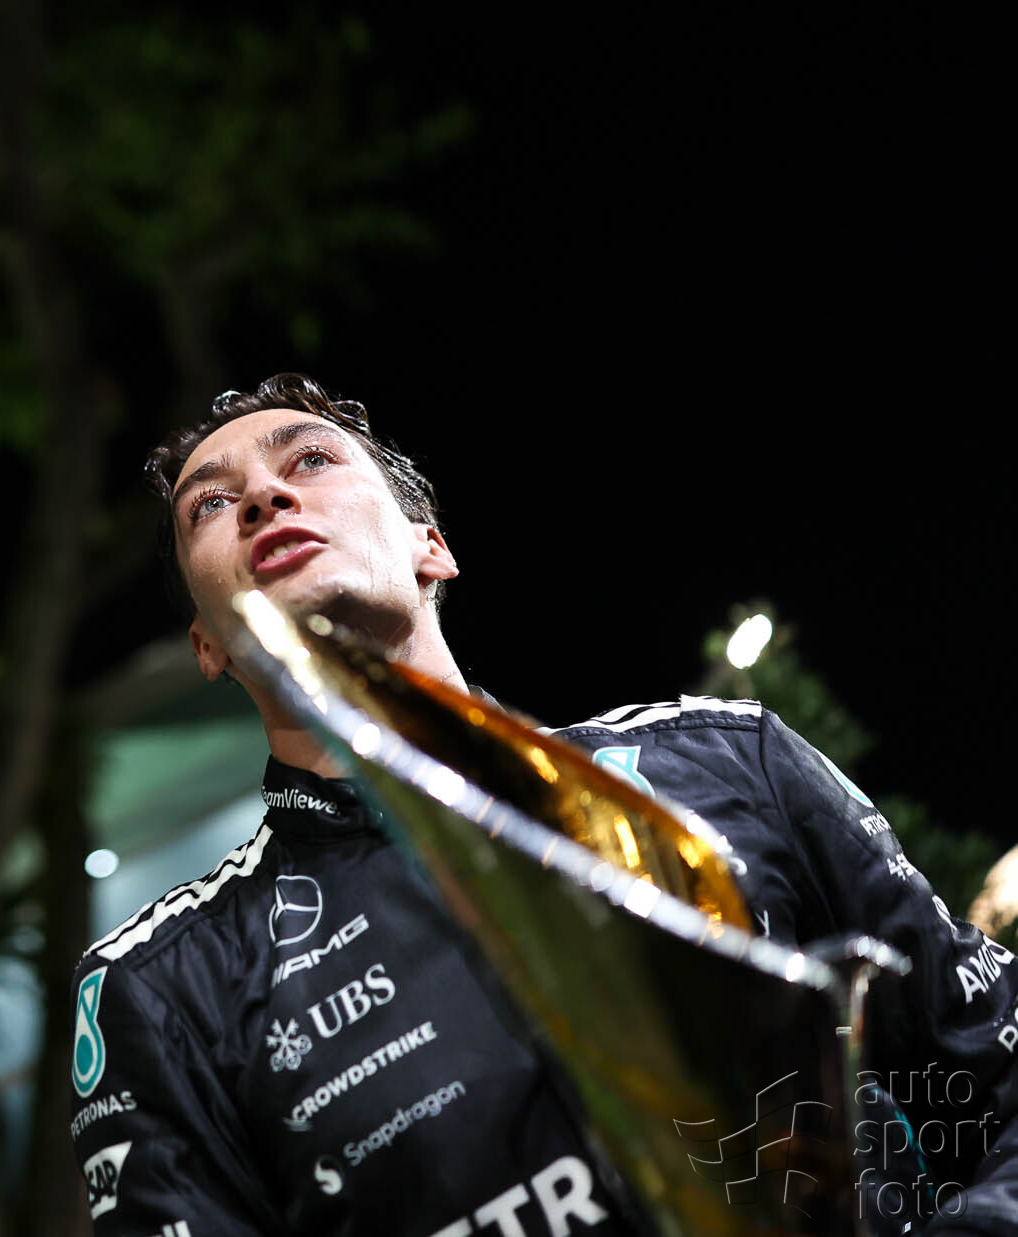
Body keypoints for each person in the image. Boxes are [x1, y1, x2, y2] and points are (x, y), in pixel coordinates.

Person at [68, 373, 1018, 1236]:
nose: (263, 498)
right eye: (211, 505)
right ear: (207, 647)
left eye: (310, 460)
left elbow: (997, 1069)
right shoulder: (158, 987)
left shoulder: (728, 757)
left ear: (430, 546)